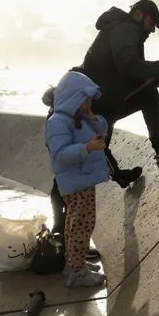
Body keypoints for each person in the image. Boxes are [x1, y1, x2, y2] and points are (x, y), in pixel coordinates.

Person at [78, 0, 159, 185]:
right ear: (139, 15)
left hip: (100, 100)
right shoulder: (126, 28)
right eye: (152, 23)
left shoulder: (125, 30)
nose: (153, 29)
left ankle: (119, 176)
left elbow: (135, 77)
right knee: (149, 95)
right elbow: (128, 66)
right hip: (99, 100)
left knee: (103, 137)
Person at [44, 70, 109, 287]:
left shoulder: (79, 117)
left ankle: (73, 263)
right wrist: (87, 148)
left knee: (75, 224)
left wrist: (92, 117)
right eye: (85, 99)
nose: (88, 102)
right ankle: (78, 272)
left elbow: (103, 129)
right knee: (82, 225)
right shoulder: (58, 122)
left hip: (82, 181)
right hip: (76, 183)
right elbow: (60, 153)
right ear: (73, 97)